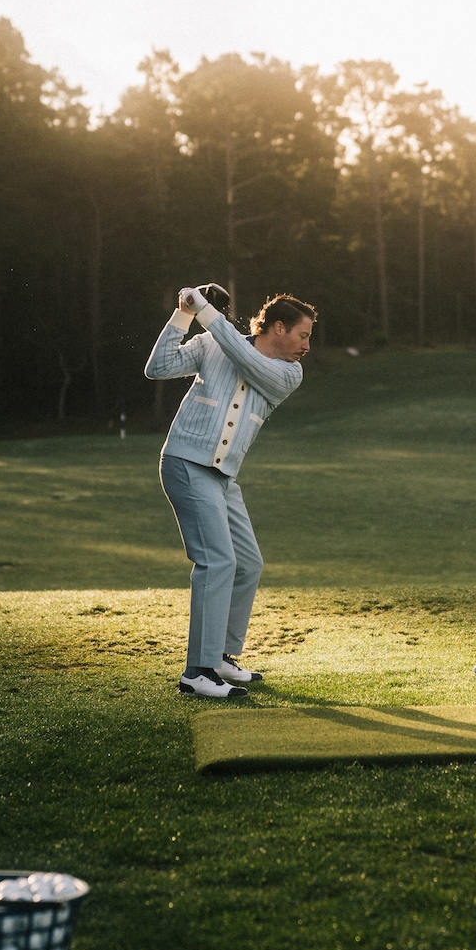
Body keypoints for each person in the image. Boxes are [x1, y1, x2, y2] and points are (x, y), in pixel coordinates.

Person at [145, 287, 316, 699]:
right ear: (278, 327)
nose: (307, 347)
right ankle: (197, 672)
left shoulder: (288, 374)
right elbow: (158, 367)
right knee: (217, 560)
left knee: (247, 564)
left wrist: (206, 313)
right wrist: (184, 314)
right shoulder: (210, 341)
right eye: (303, 336)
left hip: (223, 477)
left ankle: (220, 655)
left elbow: (245, 358)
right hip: (186, 463)